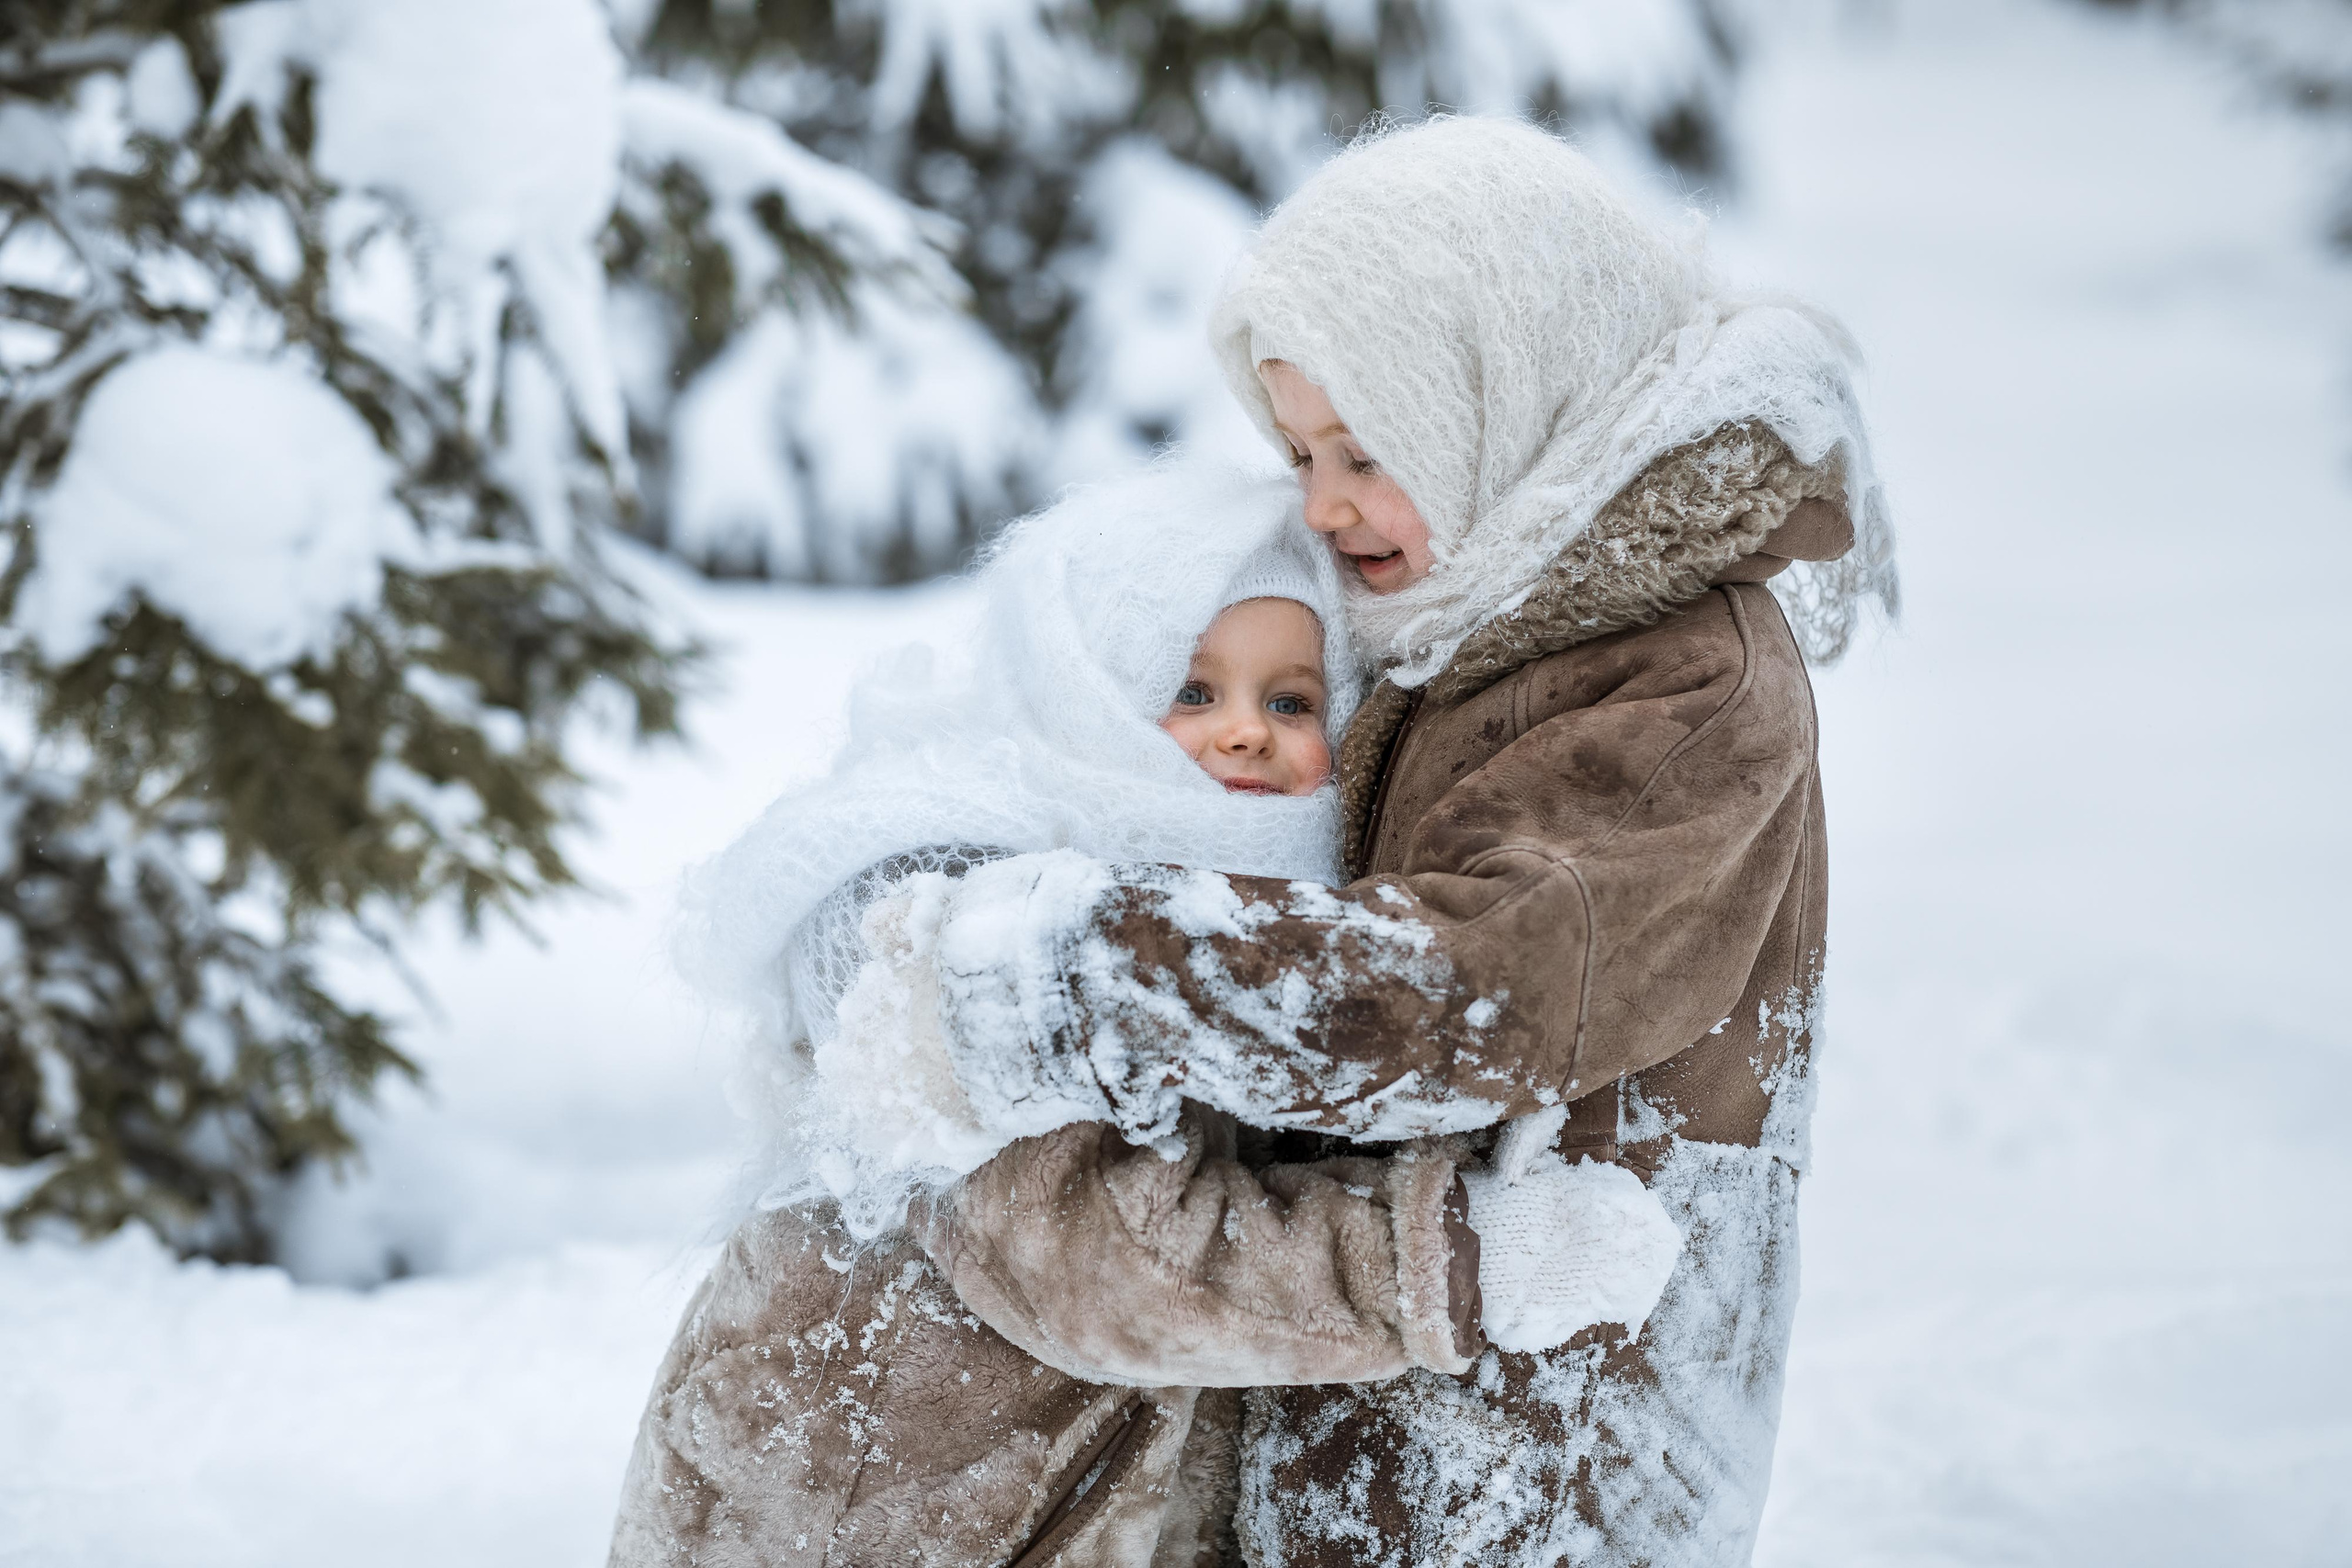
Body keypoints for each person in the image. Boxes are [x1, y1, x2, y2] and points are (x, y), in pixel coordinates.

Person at [822, 115, 1897, 1565]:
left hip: (1549, 1431)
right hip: (1390, 1395)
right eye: (1297, 446)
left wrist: (1082, 970)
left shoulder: (1685, 686)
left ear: (1503, 384)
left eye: (1365, 446)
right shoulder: (1467, 613)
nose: (1320, 502)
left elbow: (1477, 985)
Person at [609, 457, 1678, 1567]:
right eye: (1191, 690)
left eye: (1291, 700)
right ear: (1091, 693)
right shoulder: (1004, 940)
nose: (1246, 732)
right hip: (853, 1511)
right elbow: (1094, 1258)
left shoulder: (1218, 932)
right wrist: (1455, 1257)